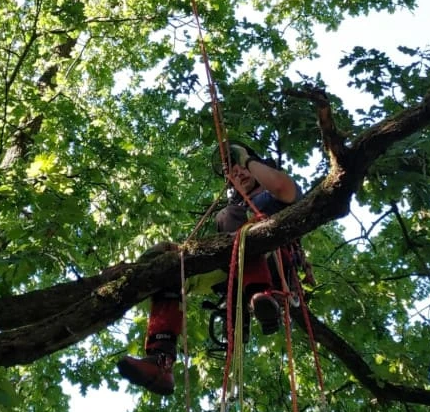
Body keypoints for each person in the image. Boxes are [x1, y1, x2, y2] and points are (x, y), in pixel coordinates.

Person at [117, 142, 302, 396]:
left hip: (273, 263)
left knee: (233, 218)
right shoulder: (233, 211)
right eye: (233, 174)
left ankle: (261, 294)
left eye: (243, 170)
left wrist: (246, 160)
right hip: (234, 266)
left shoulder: (274, 197)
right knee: (167, 264)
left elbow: (283, 188)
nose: (239, 175)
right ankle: (161, 360)